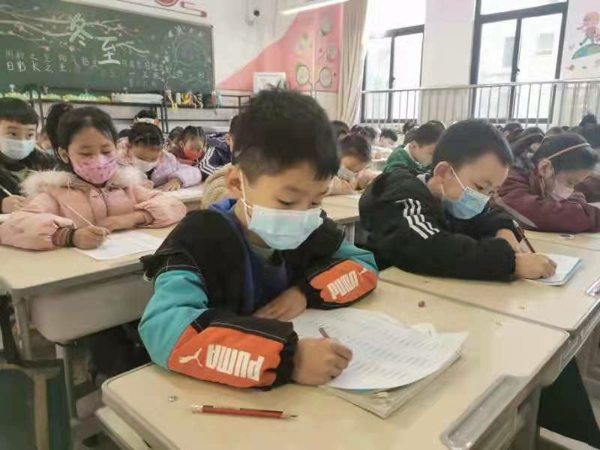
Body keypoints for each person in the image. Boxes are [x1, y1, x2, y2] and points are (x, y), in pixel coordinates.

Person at [138, 89, 378, 389]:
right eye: (287, 201)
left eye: (317, 200)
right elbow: (164, 329)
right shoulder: (200, 238)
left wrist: (305, 292)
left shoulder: (311, 225)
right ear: (236, 182)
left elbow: (363, 265)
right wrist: (288, 359)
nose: (302, 214)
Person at [360, 119, 557, 281]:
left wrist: (503, 229)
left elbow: (489, 216)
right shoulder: (403, 194)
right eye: (480, 187)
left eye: (492, 192)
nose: (483, 198)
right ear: (444, 172)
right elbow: (427, 248)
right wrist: (512, 263)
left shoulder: (454, 200)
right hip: (388, 294)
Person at [0, 107, 186, 250]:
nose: (99, 160)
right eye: (86, 153)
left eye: (106, 151)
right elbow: (12, 227)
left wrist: (130, 219)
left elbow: (175, 206)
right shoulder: (56, 194)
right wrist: (69, 236)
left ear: (116, 148)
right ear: (65, 155)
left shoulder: (126, 186)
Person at [497, 133, 600, 233]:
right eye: (570, 182)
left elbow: (577, 202)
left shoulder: (545, 181)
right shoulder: (509, 178)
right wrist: (593, 216)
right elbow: (537, 214)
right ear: (545, 168)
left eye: (575, 184)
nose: (571, 190)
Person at [0, 98, 54, 214]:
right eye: (13, 134)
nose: (22, 141)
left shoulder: (47, 165)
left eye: (29, 135)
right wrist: (1, 205)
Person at [118, 122, 201, 192]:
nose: (147, 162)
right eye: (141, 158)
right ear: (129, 146)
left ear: (161, 151)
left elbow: (195, 172)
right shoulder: (116, 162)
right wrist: (133, 184)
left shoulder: (167, 160)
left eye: (153, 159)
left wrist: (178, 180)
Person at [198, 115, 239, 181]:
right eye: (239, 143)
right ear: (228, 139)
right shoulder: (218, 145)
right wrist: (232, 171)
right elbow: (204, 167)